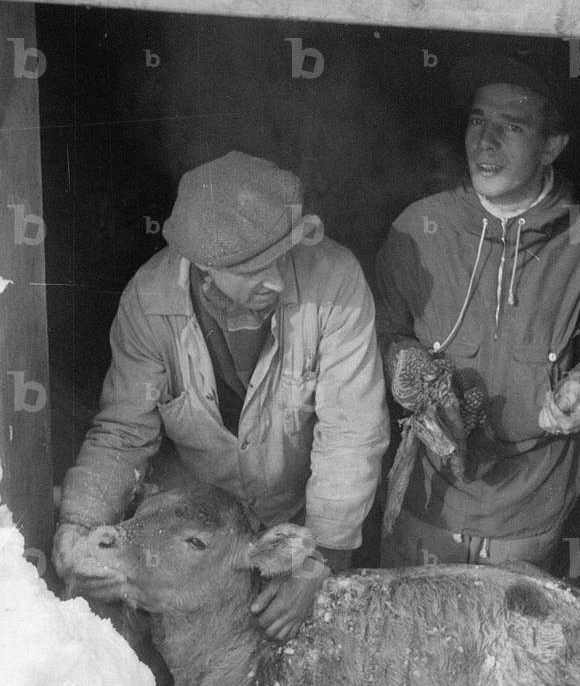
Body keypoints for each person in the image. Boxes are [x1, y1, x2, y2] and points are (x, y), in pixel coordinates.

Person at [53, 151, 389, 640]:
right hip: (188, 540)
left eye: (282, 257)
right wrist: (79, 524)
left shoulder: (335, 280)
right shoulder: (149, 302)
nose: (275, 279)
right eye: (253, 269)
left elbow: (352, 431)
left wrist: (319, 561)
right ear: (203, 266)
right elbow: (124, 433)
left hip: (294, 528)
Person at [376, 53, 580, 570]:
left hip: (531, 512)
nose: (485, 142)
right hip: (426, 505)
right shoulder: (420, 227)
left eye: (511, 126)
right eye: (478, 121)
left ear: (552, 146)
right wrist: (402, 361)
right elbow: (380, 337)